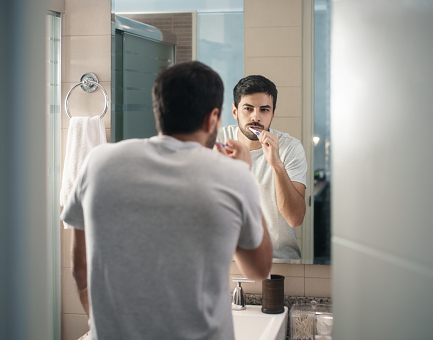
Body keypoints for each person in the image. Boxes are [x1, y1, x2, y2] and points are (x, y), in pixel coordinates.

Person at [61, 61, 272, 340]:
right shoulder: (232, 176)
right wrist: (243, 174)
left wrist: (102, 324)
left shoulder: (98, 162)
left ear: (158, 109)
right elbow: (258, 269)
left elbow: (80, 269)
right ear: (214, 118)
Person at [216, 75, 307, 261]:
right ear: (235, 111)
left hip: (279, 262)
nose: (256, 117)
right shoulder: (216, 141)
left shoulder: (290, 148)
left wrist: (277, 165)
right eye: (248, 109)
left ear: (273, 114)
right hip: (227, 261)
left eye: (264, 110)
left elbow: (295, 219)